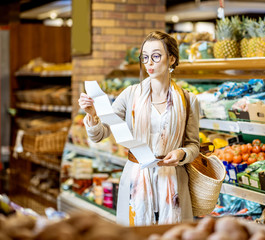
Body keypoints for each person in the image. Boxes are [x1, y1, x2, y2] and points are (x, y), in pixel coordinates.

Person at [78, 31, 200, 226]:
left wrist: (181, 153)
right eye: (145, 57)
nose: (149, 63)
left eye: (156, 56)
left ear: (172, 59)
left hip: (174, 181)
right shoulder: (130, 95)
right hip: (136, 180)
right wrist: (92, 114)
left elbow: (194, 145)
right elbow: (100, 134)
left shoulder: (188, 100)